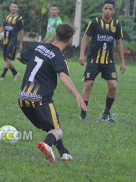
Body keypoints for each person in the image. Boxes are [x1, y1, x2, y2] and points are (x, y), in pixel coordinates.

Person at [16, 23, 86, 164]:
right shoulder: (59, 58)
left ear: (54, 35)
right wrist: (78, 95)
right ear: (70, 41)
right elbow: (64, 77)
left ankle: (64, 153)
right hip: (40, 99)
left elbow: (19, 56)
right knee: (57, 131)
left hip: (23, 98)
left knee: (50, 126)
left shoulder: (38, 47)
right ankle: (47, 144)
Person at [79, 0, 126, 122]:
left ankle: (106, 114)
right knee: (88, 85)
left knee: (113, 86)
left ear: (114, 11)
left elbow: (119, 43)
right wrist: (82, 54)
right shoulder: (94, 22)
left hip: (109, 61)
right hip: (93, 60)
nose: (108, 11)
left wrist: (122, 61)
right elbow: (85, 38)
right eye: (106, 8)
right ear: (102, 9)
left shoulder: (116, 24)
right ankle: (83, 114)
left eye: (110, 9)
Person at [0, 2, 24, 81]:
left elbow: (21, 31)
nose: (13, 8)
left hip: (13, 41)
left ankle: (2, 76)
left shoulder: (19, 19)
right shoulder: (7, 17)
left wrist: (20, 43)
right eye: (12, 7)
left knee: (8, 59)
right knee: (6, 59)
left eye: (15, 7)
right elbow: (2, 28)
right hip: (5, 40)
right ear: (10, 8)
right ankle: (15, 73)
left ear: (17, 9)